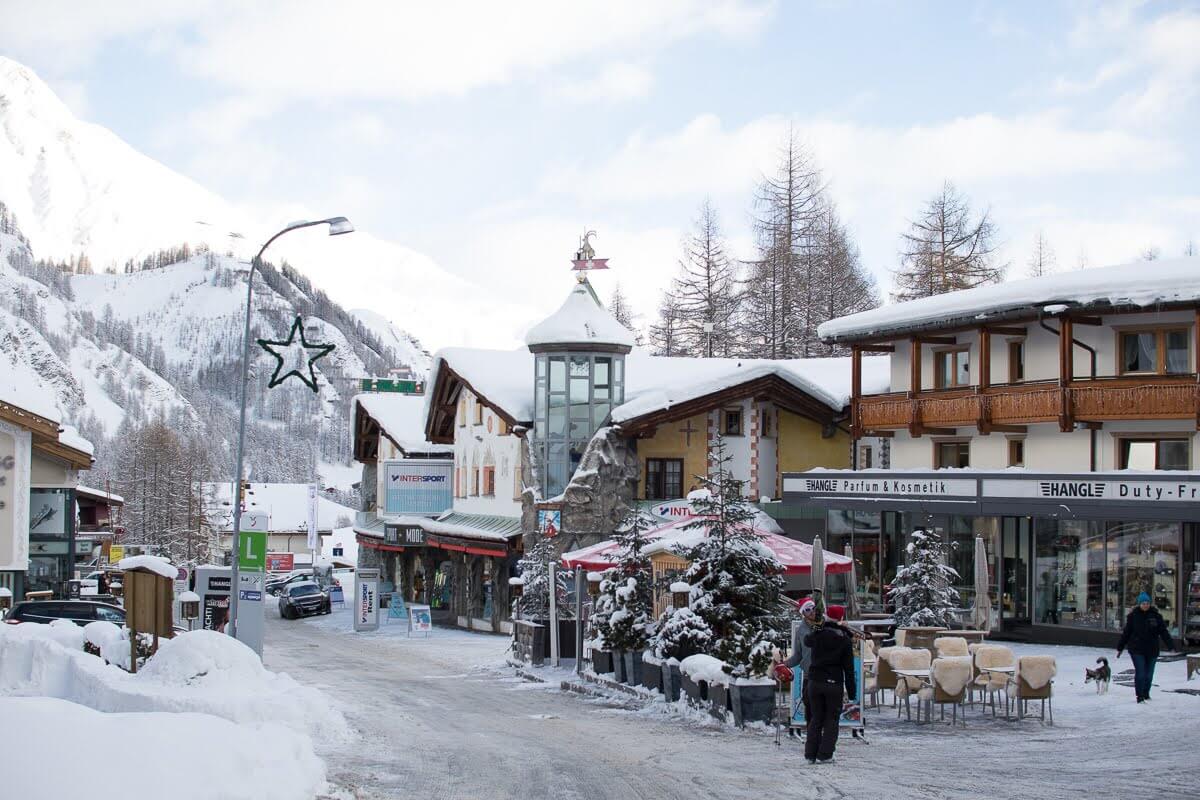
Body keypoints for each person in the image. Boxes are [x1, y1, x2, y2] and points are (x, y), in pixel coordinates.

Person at [803, 615, 856, 764]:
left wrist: (816, 628)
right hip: (834, 683)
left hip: (814, 681)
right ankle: (825, 754)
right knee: (831, 720)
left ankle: (810, 754)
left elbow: (807, 640)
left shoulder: (818, 634)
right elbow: (849, 668)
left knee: (815, 718)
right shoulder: (844, 639)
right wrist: (851, 692)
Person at [1117, 591, 1173, 703]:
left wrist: (1170, 645)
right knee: (1141, 673)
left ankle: (1146, 693)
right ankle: (1140, 696)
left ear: (1150, 604)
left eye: (1147, 603)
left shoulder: (1156, 616)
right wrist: (1120, 647)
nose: (1145, 605)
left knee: (1149, 674)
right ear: (1139, 604)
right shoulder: (1133, 616)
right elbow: (1127, 633)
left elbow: (1163, 631)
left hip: (1152, 649)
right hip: (1136, 649)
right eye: (1143, 603)